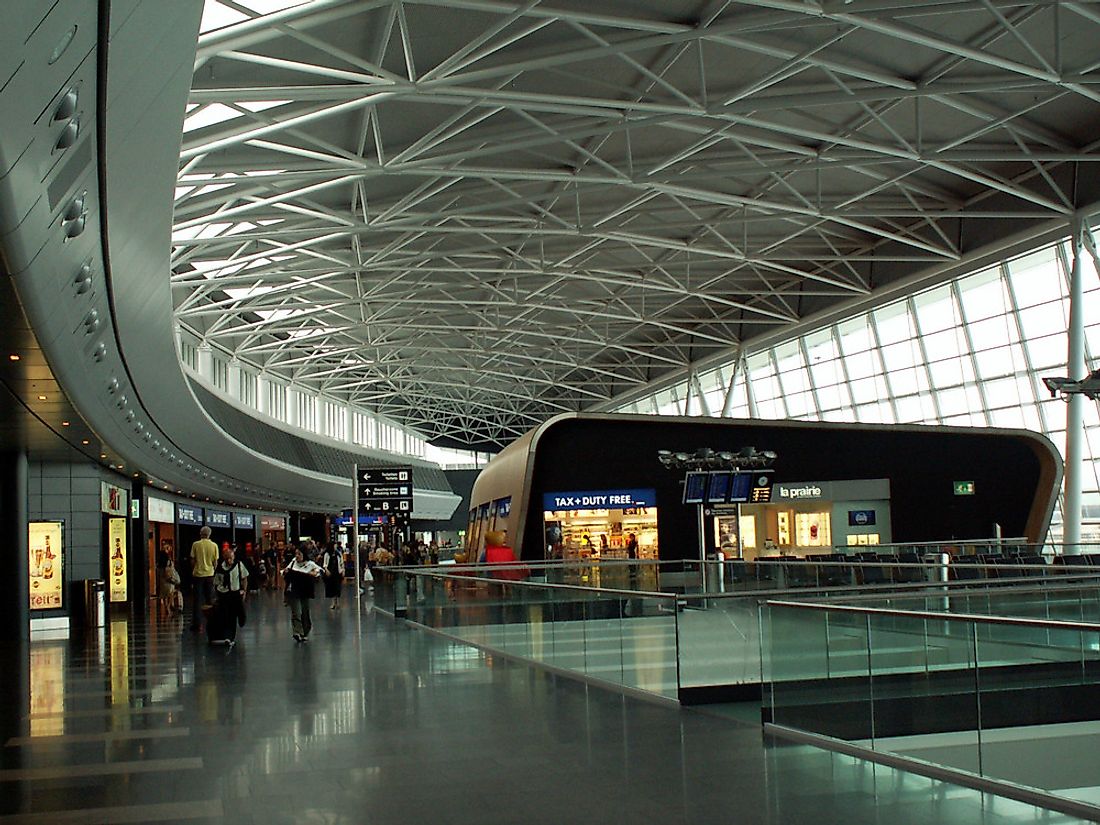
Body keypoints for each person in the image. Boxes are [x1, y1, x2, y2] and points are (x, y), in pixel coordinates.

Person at [283, 547, 323, 642]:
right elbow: (285, 571)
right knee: (296, 612)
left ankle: (305, 631)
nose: (297, 556)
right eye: (296, 554)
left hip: (305, 591)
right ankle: (297, 632)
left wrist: (313, 573)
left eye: (299, 554)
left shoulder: (310, 564)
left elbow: (319, 571)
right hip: (294, 591)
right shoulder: (293, 563)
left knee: (305, 612)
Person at [212, 544, 248, 648]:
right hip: (224, 594)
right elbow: (216, 582)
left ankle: (242, 620)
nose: (229, 561)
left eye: (231, 558)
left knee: (238, 612)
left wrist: (244, 590)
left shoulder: (239, 565)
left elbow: (244, 578)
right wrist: (216, 594)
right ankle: (229, 636)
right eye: (227, 559)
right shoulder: (220, 568)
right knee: (229, 616)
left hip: (235, 593)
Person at [190, 526, 218, 633]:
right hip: (210, 575)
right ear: (209, 534)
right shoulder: (214, 545)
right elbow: (215, 562)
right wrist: (213, 571)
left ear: (200, 534)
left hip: (198, 575)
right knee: (209, 599)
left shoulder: (195, 544)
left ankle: (197, 624)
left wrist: (194, 569)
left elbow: (192, 559)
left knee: (197, 600)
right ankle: (211, 621)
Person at [321, 543, 343, 610]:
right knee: (332, 588)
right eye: (334, 545)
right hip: (330, 572)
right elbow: (325, 564)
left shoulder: (338, 554)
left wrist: (342, 570)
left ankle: (337, 602)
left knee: (337, 588)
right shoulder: (327, 554)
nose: (336, 546)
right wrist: (326, 570)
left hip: (337, 572)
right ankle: (333, 603)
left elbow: (341, 563)